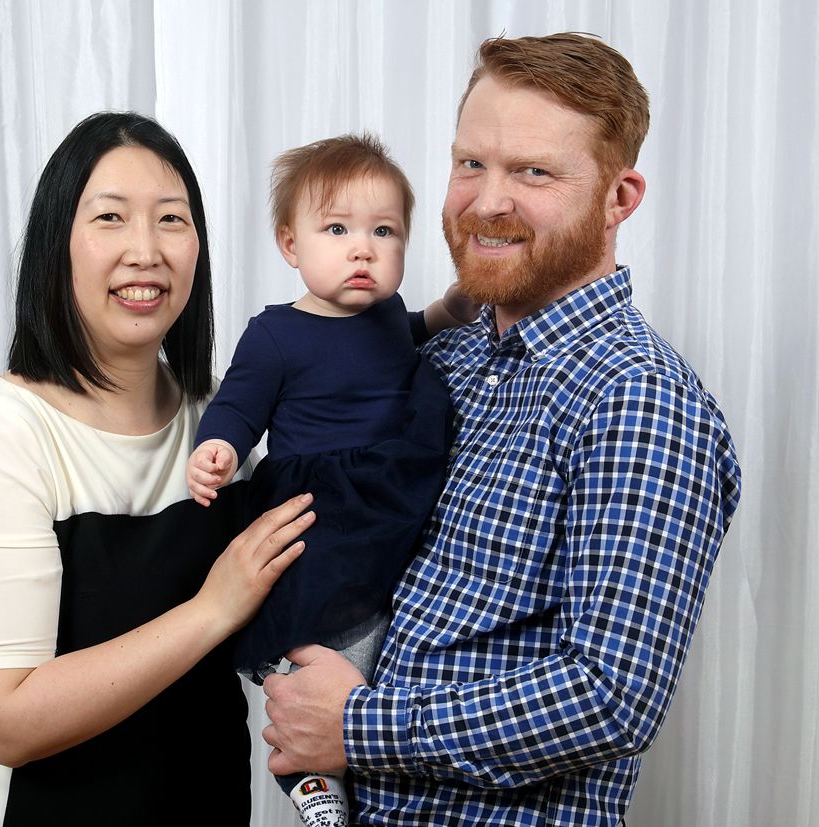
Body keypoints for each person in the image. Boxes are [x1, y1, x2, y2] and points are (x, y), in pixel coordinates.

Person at [261, 33, 743, 826]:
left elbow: (609, 696)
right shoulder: (443, 359)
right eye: (470, 163)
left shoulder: (639, 398)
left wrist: (357, 725)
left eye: (534, 172)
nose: (487, 201)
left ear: (620, 198)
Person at [0, 111, 316, 826]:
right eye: (110, 217)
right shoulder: (5, 438)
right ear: (57, 246)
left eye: (171, 220)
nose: (146, 250)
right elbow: (2, 721)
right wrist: (211, 609)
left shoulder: (218, 422)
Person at [185, 133, 475, 827]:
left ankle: (356, 745)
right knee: (329, 622)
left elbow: (410, 332)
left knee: (387, 625)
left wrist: (445, 312)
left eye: (384, 232)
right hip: (323, 502)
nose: (362, 250)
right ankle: (310, 773)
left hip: (390, 486)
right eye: (337, 230)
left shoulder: (385, 317)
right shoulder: (276, 333)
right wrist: (218, 446)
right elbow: (239, 403)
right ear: (291, 245)